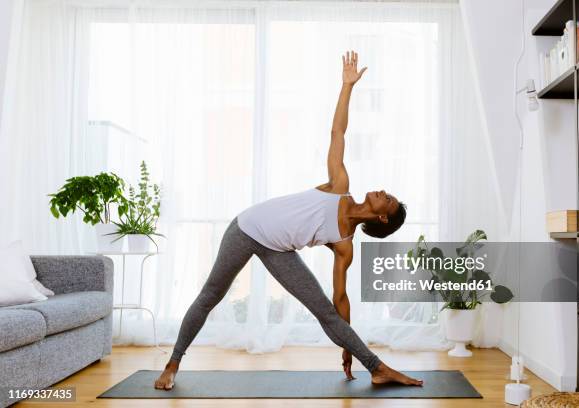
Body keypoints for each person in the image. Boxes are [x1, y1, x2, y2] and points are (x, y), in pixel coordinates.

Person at [154, 50, 423, 390]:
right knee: (211, 295)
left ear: (383, 217)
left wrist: (347, 345)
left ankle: (377, 367)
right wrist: (347, 87)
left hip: (278, 250)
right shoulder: (339, 187)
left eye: (388, 198)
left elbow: (340, 301)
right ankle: (172, 363)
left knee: (324, 310)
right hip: (247, 228)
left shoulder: (344, 246)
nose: (383, 191)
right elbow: (337, 133)